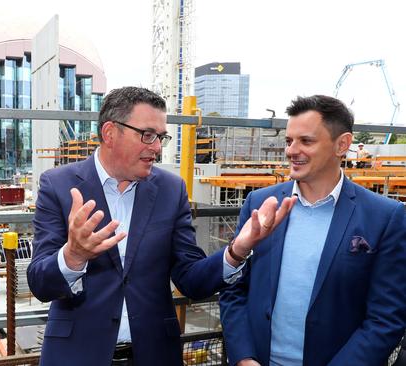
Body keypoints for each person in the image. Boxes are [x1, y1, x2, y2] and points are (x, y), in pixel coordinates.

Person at [27, 86, 296, 366]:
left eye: (161, 137)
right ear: (109, 133)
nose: (156, 147)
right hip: (76, 356)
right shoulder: (58, 185)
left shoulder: (170, 189)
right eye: (147, 135)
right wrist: (73, 256)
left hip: (154, 354)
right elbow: (40, 284)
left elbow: (191, 278)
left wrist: (237, 250)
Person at [219, 95, 406, 366]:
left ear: (342, 144)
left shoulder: (385, 216)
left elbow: (386, 316)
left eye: (306, 141)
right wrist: (244, 358)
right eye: (289, 141)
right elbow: (235, 288)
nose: (292, 150)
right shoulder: (259, 203)